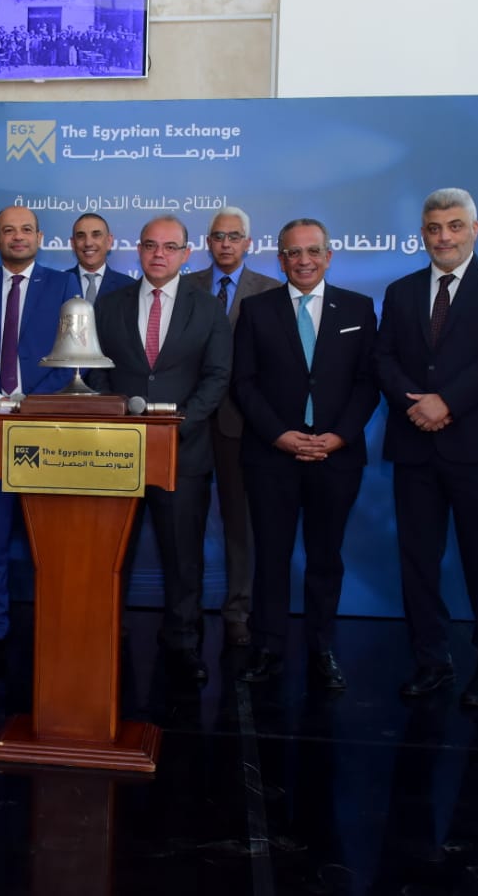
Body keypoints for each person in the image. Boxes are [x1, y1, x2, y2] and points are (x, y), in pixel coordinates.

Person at [373, 187, 478, 706]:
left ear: (475, 229)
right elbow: (383, 358)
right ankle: (431, 660)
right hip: (414, 445)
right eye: (435, 228)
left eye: (455, 226)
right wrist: (416, 404)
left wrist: (448, 402)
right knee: (418, 562)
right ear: (423, 233)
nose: (444, 237)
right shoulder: (400, 291)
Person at [233, 218, 378, 688]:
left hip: (336, 457)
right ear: (280, 260)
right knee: (271, 557)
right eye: (293, 253)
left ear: (329, 256)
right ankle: (267, 647)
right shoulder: (256, 310)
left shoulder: (358, 308)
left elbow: (368, 382)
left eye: (313, 251)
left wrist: (340, 436)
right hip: (272, 456)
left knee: (325, 558)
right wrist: (279, 435)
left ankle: (322, 647)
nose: (304, 260)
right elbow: (244, 383)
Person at [88, 215, 232, 685]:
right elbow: (96, 370)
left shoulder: (207, 308)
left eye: (170, 247)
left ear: (187, 254)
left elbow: (217, 376)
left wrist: (179, 424)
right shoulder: (110, 305)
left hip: (181, 453)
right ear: (138, 250)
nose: (159, 254)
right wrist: (116, 420)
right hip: (117, 454)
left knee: (183, 556)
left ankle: (183, 643)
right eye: (150, 245)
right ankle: (107, 632)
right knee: (113, 554)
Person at [0, 205, 76, 666]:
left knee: (52, 539)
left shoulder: (63, 285)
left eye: (26, 230)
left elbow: (73, 358)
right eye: (8, 231)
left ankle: (57, 623)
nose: (18, 237)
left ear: (40, 238)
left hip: (45, 428)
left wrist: (30, 403)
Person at [187, 206, 281, 647]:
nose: (226, 244)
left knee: (238, 524)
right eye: (218, 236)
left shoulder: (271, 290)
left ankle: (238, 609)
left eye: (234, 236)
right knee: (182, 521)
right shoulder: (185, 286)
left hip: (240, 424)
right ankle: (184, 609)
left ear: (249, 243)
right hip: (188, 421)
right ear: (208, 243)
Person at [64, 212, 134, 303]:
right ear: (73, 243)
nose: (88, 243)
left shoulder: (129, 287)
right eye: (81, 236)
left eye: (96, 235)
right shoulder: (59, 283)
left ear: (109, 241)